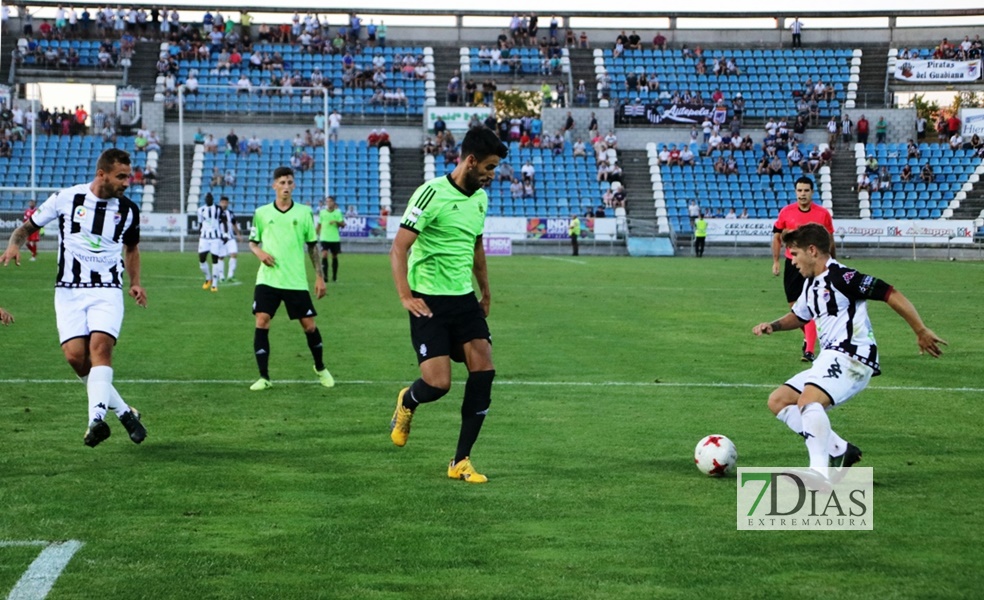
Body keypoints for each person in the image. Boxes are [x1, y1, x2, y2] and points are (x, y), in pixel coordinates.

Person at [753, 223, 946, 479]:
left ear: (812, 250)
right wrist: (773, 326)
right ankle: (840, 449)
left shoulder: (842, 277)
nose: (793, 261)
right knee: (778, 401)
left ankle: (819, 472)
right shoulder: (810, 285)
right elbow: (799, 316)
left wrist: (920, 329)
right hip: (830, 357)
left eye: (795, 254)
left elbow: (890, 292)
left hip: (852, 356)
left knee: (809, 401)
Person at [0, 148, 147, 448]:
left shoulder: (129, 210)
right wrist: (14, 245)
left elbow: (131, 249)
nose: (126, 183)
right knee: (76, 357)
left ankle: (96, 420)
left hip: (107, 289)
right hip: (68, 289)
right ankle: (123, 411)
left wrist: (135, 282)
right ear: (101, 174)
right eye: (121, 177)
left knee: (100, 349)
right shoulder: (67, 198)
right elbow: (27, 228)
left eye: (128, 177)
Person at [388, 127, 508, 484]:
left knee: (484, 370)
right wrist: (406, 295)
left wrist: (485, 291)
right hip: (430, 302)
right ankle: (408, 401)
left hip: (464, 300)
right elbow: (399, 248)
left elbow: (476, 247)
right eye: (488, 167)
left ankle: (460, 460)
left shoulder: (480, 200)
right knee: (438, 385)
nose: (491, 175)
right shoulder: (430, 194)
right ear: (470, 161)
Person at [248, 166, 334, 391]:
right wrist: (260, 253)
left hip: (295, 280)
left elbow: (313, 247)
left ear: (294, 185)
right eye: (282, 183)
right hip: (268, 279)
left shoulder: (304, 213)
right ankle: (264, 377)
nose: (286, 187)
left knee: (309, 326)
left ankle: (320, 367)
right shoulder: (262, 213)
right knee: (262, 320)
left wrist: (319, 277)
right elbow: (252, 242)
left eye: (289, 183)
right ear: (274, 185)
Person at [772, 176, 834, 363]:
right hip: (793, 264)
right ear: (795, 192)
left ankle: (809, 349)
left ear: (812, 192)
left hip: (815, 266)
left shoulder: (822, 214)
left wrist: (832, 262)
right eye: (799, 190)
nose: (802, 194)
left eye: (806, 190)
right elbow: (777, 238)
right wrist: (776, 261)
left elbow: (830, 240)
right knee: (795, 307)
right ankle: (810, 336)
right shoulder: (786, 212)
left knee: (812, 306)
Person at [196, 193, 227, 292]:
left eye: (210, 198)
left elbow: (224, 221)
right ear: (205, 200)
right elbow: (200, 224)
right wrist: (199, 235)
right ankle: (208, 278)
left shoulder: (218, 209)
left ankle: (214, 284)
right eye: (207, 198)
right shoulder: (201, 210)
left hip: (215, 238)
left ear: (213, 199)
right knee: (202, 259)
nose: (208, 200)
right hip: (204, 238)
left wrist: (225, 234)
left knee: (215, 259)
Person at [317, 196, 344, 282]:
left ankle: (334, 276)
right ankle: (325, 277)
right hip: (324, 237)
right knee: (324, 255)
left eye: (330, 201)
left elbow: (343, 225)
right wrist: (315, 234)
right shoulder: (322, 213)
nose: (328, 203)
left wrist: (336, 222)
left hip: (334, 238)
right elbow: (319, 224)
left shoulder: (338, 213)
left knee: (334, 256)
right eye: (327, 201)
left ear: (333, 202)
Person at [218, 196, 241, 282]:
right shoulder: (216, 213)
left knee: (234, 254)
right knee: (220, 257)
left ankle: (230, 275)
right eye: (223, 202)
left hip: (230, 237)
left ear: (228, 203)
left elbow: (234, 224)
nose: (224, 204)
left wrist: (238, 234)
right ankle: (221, 276)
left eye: (226, 202)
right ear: (220, 203)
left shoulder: (230, 213)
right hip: (220, 238)